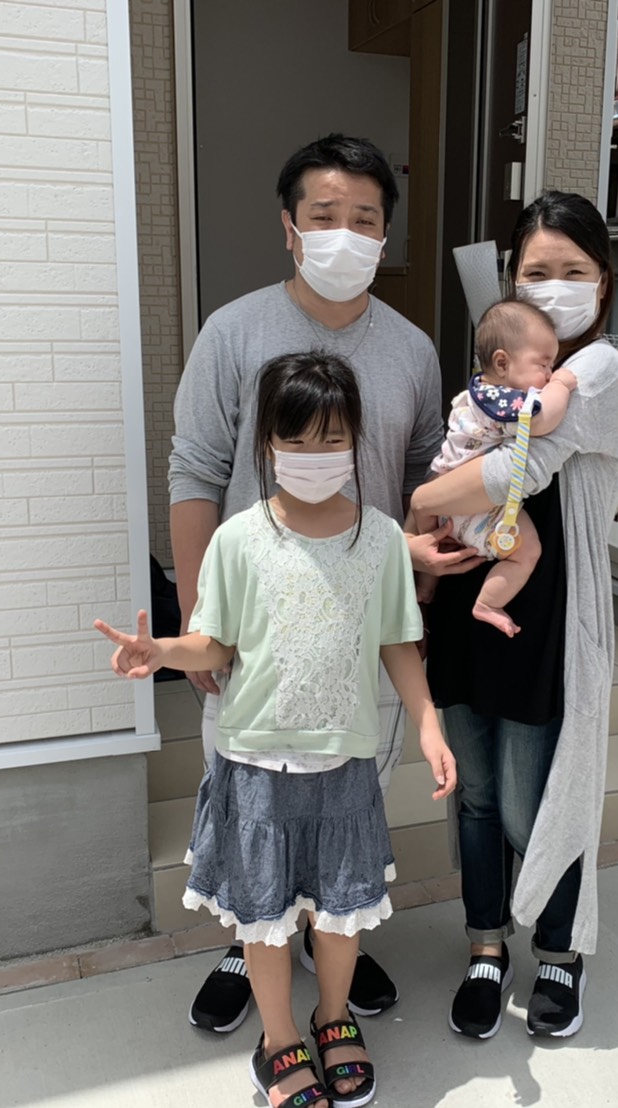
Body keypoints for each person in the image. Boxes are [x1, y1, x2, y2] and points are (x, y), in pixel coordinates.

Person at [167, 134, 477, 1035]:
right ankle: (250, 936)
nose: (345, 233)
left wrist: (422, 582)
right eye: (325, 215)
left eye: (365, 219)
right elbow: (195, 470)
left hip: (359, 626)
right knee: (249, 799)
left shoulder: (412, 349)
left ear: (385, 234)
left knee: (348, 793)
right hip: (253, 626)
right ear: (290, 227)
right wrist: (196, 617)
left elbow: (423, 480)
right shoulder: (234, 331)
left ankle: (331, 928)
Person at [103, 353, 458, 1108]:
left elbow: (399, 644)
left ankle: (332, 1018)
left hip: (343, 765)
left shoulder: (380, 539)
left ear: (356, 439)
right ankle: (278, 1039)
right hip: (254, 765)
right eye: (296, 440)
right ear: (267, 442)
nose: (314, 455)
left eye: (332, 438)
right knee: (263, 920)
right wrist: (162, 651)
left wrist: (429, 725)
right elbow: (215, 646)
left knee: (340, 916)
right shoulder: (238, 538)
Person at [410, 191, 618, 1040]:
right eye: (539, 270)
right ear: (513, 276)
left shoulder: (596, 370)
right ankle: (485, 945)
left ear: (602, 281)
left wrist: (424, 499)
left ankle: (560, 953)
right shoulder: (501, 368)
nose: (556, 284)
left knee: (533, 805)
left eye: (574, 269)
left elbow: (515, 473)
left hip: (549, 622)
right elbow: (468, 453)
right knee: (475, 797)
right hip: (472, 607)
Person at [414, 298, 578, 637]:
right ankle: (488, 602)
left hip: (444, 495)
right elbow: (541, 421)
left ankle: (427, 586)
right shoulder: (503, 402)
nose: (549, 373)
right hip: (476, 507)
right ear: (502, 362)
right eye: (544, 364)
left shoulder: (479, 391)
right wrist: (561, 385)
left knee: (430, 541)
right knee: (527, 552)